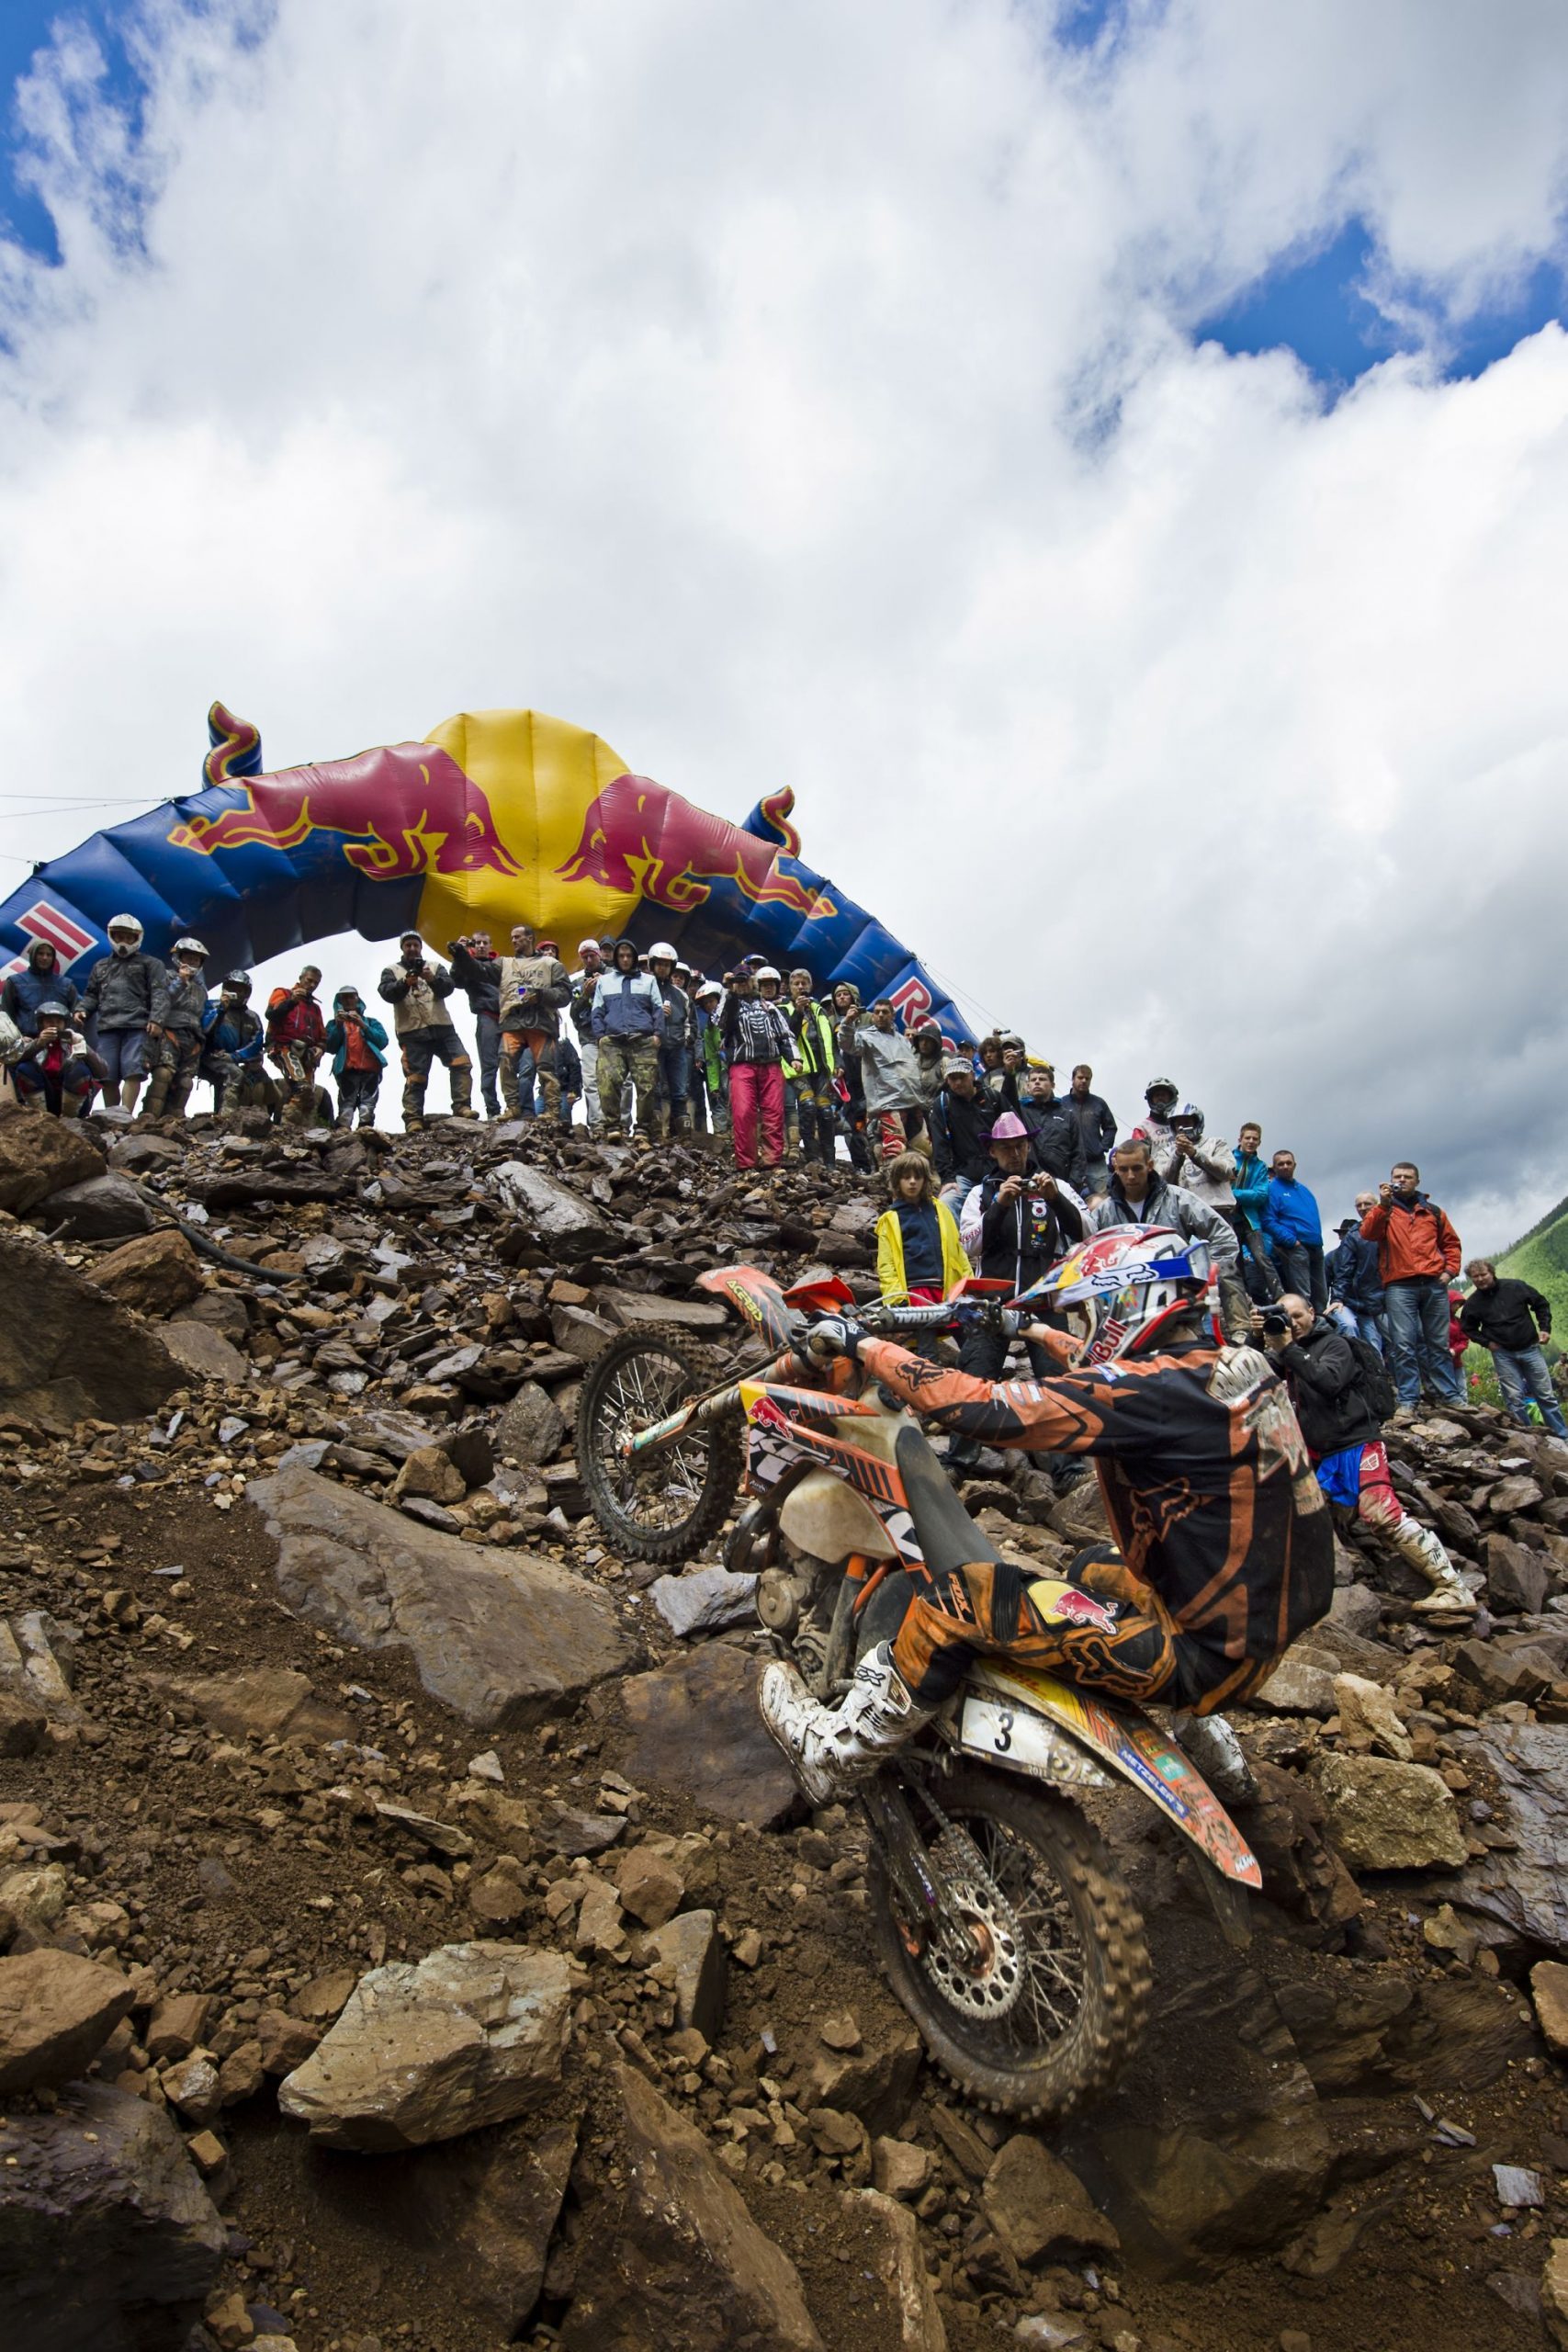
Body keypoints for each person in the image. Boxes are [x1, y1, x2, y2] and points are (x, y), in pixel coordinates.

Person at [760, 1225, 1334, 1804]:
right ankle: (1210, 1747)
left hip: (1200, 1657)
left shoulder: (1152, 1393)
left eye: (1086, 1312)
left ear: (1126, 1301)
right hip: (1258, 1632)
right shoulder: (1228, 1369)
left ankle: (841, 1753)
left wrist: (866, 1346)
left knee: (956, 1600)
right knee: (1090, 1568)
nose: (1080, 1326)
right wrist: (1025, 1328)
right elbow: (1107, 1372)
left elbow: (985, 1409)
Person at [1264, 1292, 1473, 1620]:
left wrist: (1287, 1348)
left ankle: (1453, 1586)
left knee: (1382, 1514)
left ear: (1312, 1313)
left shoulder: (1336, 1344)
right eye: (1284, 1318)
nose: (1292, 1323)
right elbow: (1258, 1373)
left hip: (1358, 1444)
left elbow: (1329, 1382)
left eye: (1297, 1315)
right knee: (1296, 1515)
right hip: (1320, 1454)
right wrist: (1259, 1336)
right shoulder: (1289, 1353)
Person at [1085, 1137, 1247, 1336]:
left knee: (1226, 1268)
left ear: (1150, 1165)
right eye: (1124, 1170)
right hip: (1128, 1297)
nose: (1131, 1176)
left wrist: (1201, 1272)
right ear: (1116, 1168)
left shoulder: (1177, 1198)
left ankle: (1241, 1334)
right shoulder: (1105, 1212)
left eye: (1137, 1168)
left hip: (1178, 1288)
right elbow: (1086, 1253)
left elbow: (1224, 1236)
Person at [1359, 1164, 1463, 1417]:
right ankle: (1408, 1400)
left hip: (1434, 1283)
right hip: (1399, 1284)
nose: (1402, 1180)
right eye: (1397, 1177)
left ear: (1417, 1181)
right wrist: (1383, 1204)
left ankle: (1449, 1396)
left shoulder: (1433, 1212)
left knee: (1438, 1343)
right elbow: (1368, 1233)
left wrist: (1450, 1271)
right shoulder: (1384, 1211)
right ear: (1390, 1180)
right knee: (1403, 1344)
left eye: (1407, 1177)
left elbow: (1451, 1243)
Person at [1460, 1261, 1568, 1438]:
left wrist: (1545, 1328)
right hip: (1503, 1354)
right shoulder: (1473, 1303)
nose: (1480, 1279)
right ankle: (1526, 1439)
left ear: (1492, 1273)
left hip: (1530, 1348)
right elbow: (1467, 1327)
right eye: (1475, 1276)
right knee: (1514, 1399)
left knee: (1545, 1395)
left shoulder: (1515, 1287)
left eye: (1483, 1274)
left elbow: (1540, 1303)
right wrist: (1487, 1343)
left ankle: (1562, 1437)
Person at [80, 913, 161, 1115]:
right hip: (107, 1027)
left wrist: (156, 1019)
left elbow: (160, 993)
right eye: (119, 936)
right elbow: (91, 995)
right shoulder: (100, 966)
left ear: (137, 938)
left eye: (128, 937)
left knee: (133, 1071)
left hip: (138, 1026)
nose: (124, 941)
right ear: (112, 936)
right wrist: (81, 1010)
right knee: (106, 1075)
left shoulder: (150, 964)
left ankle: (125, 1115)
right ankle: (111, 1116)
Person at [491, 925, 570, 1123]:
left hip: (541, 1022)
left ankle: (552, 1111)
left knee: (546, 1068)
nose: (513, 940)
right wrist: (462, 956)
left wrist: (540, 995)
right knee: (505, 1061)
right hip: (512, 1021)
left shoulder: (551, 964)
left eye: (517, 937)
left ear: (530, 938)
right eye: (512, 937)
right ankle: (512, 1107)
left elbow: (565, 994)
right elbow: (478, 972)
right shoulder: (504, 964)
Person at [592, 936, 665, 1143]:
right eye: (621, 956)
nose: (625, 959)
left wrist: (657, 1035)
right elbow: (596, 1011)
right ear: (616, 957)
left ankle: (643, 1129)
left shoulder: (649, 981)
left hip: (642, 1040)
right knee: (608, 1084)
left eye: (629, 956)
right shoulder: (604, 982)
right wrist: (600, 1036)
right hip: (613, 1040)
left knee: (647, 1087)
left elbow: (658, 1010)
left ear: (634, 958)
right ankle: (613, 1127)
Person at [875, 1149, 969, 1309]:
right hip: (914, 1291)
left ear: (925, 1179)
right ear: (897, 1181)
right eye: (906, 1177)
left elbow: (958, 1250)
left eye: (917, 1177)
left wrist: (969, 1284)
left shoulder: (940, 1210)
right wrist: (897, 1299)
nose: (912, 1182)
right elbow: (887, 1265)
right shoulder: (890, 1219)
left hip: (947, 1288)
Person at [720, 965, 792, 1170]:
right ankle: (746, 1163)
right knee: (743, 1112)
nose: (742, 984)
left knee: (774, 1112)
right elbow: (721, 1023)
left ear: (753, 981)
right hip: (742, 1063)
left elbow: (784, 1033)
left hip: (771, 1064)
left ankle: (772, 1160)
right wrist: (729, 993)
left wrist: (793, 1057)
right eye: (738, 981)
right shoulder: (729, 1003)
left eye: (745, 980)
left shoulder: (769, 1006)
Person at [142, 936, 210, 1121]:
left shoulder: (201, 990)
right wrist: (180, 981)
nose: (192, 962)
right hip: (170, 1031)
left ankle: (174, 1119)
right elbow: (161, 1001)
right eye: (188, 958)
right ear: (179, 958)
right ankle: (150, 1116)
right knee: (163, 1074)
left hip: (193, 1038)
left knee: (186, 1082)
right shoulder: (167, 977)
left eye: (196, 960)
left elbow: (203, 1015)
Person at [783, 970, 840, 1168]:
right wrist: (798, 1012)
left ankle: (830, 1163)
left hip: (822, 1069)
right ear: (790, 987)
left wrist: (838, 1063)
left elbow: (831, 1040)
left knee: (826, 1112)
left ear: (810, 986)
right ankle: (812, 1158)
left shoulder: (819, 1010)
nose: (800, 987)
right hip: (799, 1069)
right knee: (807, 1108)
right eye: (796, 983)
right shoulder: (783, 1009)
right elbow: (787, 1035)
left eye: (804, 983)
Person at [9, 1001, 106, 1117]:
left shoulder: (74, 1042)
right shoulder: (32, 1043)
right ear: (41, 1024)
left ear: (65, 1024)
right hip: (45, 1098)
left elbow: (102, 1072)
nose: (54, 1025)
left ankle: (70, 1118)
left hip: (75, 1104)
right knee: (25, 1068)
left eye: (59, 1022)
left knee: (80, 1069)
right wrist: (38, 1044)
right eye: (49, 1022)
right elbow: (13, 1062)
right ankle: (40, 1116)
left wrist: (82, 1047)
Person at [201, 973, 277, 1116]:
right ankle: (226, 1116)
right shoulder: (211, 1005)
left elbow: (256, 1043)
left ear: (247, 993)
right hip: (205, 1056)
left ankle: (230, 1115)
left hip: (234, 1060)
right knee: (234, 1074)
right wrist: (220, 1010)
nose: (236, 993)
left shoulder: (252, 1017)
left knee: (260, 1082)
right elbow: (204, 1028)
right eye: (232, 988)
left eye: (240, 990)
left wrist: (235, 1056)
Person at [928, 1056, 998, 1211]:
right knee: (946, 1204)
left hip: (998, 1171)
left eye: (962, 1077)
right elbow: (939, 1144)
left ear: (972, 1075)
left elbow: (1015, 1133)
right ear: (947, 1080)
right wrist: (947, 1179)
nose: (958, 1082)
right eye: (953, 1078)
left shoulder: (992, 1097)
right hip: (964, 1175)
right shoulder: (943, 1104)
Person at [858, 1001, 925, 1161]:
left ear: (893, 1015)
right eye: (877, 1012)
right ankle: (888, 1175)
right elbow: (847, 1044)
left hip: (913, 1100)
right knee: (895, 1148)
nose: (881, 1015)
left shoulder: (903, 1040)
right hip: (888, 1103)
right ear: (873, 1016)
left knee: (922, 1147)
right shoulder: (865, 1037)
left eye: (885, 1012)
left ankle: (919, 1177)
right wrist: (847, 1023)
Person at [447, 933, 503, 1118]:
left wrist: (523, 998)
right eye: (477, 943)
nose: (480, 946)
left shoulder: (502, 965)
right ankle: (493, 1110)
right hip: (487, 1016)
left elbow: (518, 986)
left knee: (512, 1064)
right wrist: (459, 954)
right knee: (489, 1065)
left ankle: (515, 1106)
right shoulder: (469, 967)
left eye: (484, 943)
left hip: (510, 1018)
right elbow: (456, 981)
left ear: (490, 945)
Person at [1262, 1149, 1326, 1310]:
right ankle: (1303, 1324)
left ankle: (1322, 1324)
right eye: (1280, 1164)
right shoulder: (1271, 1189)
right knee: (1303, 1296)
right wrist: (1291, 1241)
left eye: (1288, 1163)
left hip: (1316, 1246)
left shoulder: (1304, 1190)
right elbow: (1268, 1220)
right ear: (1274, 1167)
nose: (1285, 1166)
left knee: (1322, 1296)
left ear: (1294, 1165)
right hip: (1296, 1248)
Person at [266, 967, 328, 1124]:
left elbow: (322, 1035)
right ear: (301, 978)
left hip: (307, 1054)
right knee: (302, 1087)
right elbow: (271, 1015)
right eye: (309, 980)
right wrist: (292, 1001)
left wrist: (321, 1048)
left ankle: (301, 1127)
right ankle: (286, 1122)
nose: (312, 985)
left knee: (308, 1095)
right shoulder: (283, 993)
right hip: (283, 1047)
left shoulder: (315, 1008)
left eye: (316, 983)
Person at [1017, 1063, 1089, 1192]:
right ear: (1027, 1086)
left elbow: (1078, 1154)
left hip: (1060, 1183)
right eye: (1033, 1080)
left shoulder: (1067, 1116)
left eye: (1042, 1079)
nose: (1037, 1082)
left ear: (1052, 1085)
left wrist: (1073, 1185)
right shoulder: (1019, 1113)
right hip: (1027, 1182)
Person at [645, 944, 693, 1139]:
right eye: (660, 964)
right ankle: (656, 1133)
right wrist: (655, 1015)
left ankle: (683, 1136)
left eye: (667, 965)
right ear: (653, 965)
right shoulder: (645, 988)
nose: (663, 968)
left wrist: (686, 1039)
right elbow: (637, 1016)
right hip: (654, 1046)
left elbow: (689, 1021)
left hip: (677, 1047)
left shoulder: (680, 995)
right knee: (655, 1089)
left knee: (680, 1090)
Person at [324, 986, 389, 1129]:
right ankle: (343, 1130)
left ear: (357, 999)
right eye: (344, 997)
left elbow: (383, 1041)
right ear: (339, 1001)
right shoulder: (333, 1024)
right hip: (347, 1070)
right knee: (346, 1104)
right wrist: (338, 1026)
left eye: (351, 997)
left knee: (368, 1104)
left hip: (371, 1069)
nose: (348, 1000)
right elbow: (329, 1047)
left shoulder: (371, 1022)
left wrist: (363, 1025)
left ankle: (366, 1129)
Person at [1327, 1207, 1386, 1354]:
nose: (1347, 1237)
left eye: (1350, 1234)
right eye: (1344, 1234)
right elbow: (1324, 1284)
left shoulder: (1373, 1254)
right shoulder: (1331, 1258)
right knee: (1349, 1328)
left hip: (1368, 1306)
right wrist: (1332, 1302)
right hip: (1344, 1304)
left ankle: (1376, 1368)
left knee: (1374, 1343)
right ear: (1340, 1236)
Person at [830, 982, 873, 1171]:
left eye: (845, 994)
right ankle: (862, 1166)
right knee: (851, 1126)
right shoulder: (831, 1021)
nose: (841, 997)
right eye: (838, 995)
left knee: (872, 1126)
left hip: (869, 1079)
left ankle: (879, 1165)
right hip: (847, 1083)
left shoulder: (868, 1018)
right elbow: (831, 1048)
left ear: (853, 995)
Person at [2, 939, 79, 1037]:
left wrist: (67, 1037)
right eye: (40, 954)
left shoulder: (66, 985)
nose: (45, 958)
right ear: (33, 955)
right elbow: (6, 1017)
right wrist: (18, 1038)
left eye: (49, 955)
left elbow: (74, 1016)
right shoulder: (15, 982)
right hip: (26, 1040)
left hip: (58, 1041)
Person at [569, 939, 607, 1132]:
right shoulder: (577, 983)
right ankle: (597, 1124)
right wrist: (585, 994)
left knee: (617, 1081)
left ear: (599, 955)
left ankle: (619, 1123)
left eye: (592, 956)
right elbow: (573, 1013)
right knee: (591, 1081)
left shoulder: (614, 976)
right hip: (588, 1037)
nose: (589, 960)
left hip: (612, 1036)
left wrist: (605, 984)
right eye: (585, 957)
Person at [1067, 1063, 1116, 1195]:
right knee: (1069, 1197)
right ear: (1073, 1079)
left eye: (1087, 1078)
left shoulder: (1098, 1103)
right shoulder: (1062, 1104)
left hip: (1096, 1162)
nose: (1084, 1081)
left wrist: (1102, 1147)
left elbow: (1110, 1127)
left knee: (1104, 1197)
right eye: (1080, 1077)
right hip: (1070, 1162)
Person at [692, 979, 729, 1138]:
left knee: (737, 1103)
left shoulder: (732, 1020)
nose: (709, 1005)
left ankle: (739, 1136)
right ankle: (721, 1136)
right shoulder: (709, 1029)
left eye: (711, 1001)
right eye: (705, 1003)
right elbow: (711, 1059)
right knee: (717, 1100)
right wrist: (713, 1085)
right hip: (717, 1072)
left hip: (735, 1070)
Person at [1133, 1077, 1180, 1165]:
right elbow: (1137, 1156)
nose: (1160, 1098)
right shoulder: (1142, 1128)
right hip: (1157, 1171)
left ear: (1171, 1097)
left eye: (1163, 1095)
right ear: (1151, 1099)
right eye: (1157, 1095)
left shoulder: (1182, 1122)